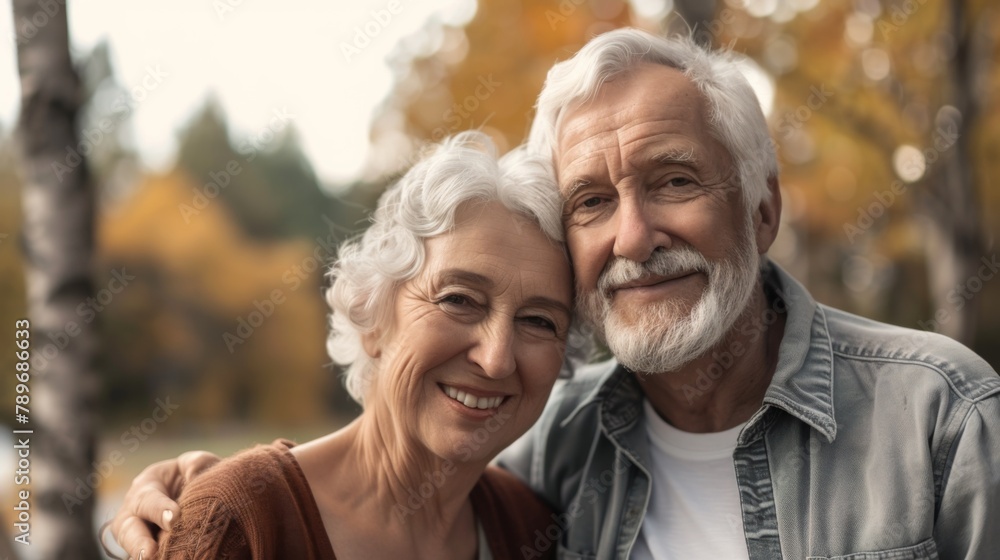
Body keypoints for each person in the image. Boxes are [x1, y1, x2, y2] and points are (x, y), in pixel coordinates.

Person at [109, 29, 1000, 559]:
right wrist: (207, 498)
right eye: (591, 201)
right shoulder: (555, 449)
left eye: (675, 180)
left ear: (763, 208)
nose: (634, 235)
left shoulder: (941, 421)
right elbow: (389, 464)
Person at [106, 131, 585, 559]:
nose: (497, 357)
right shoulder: (244, 524)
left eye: (540, 321)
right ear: (373, 316)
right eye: (459, 299)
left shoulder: (532, 529)